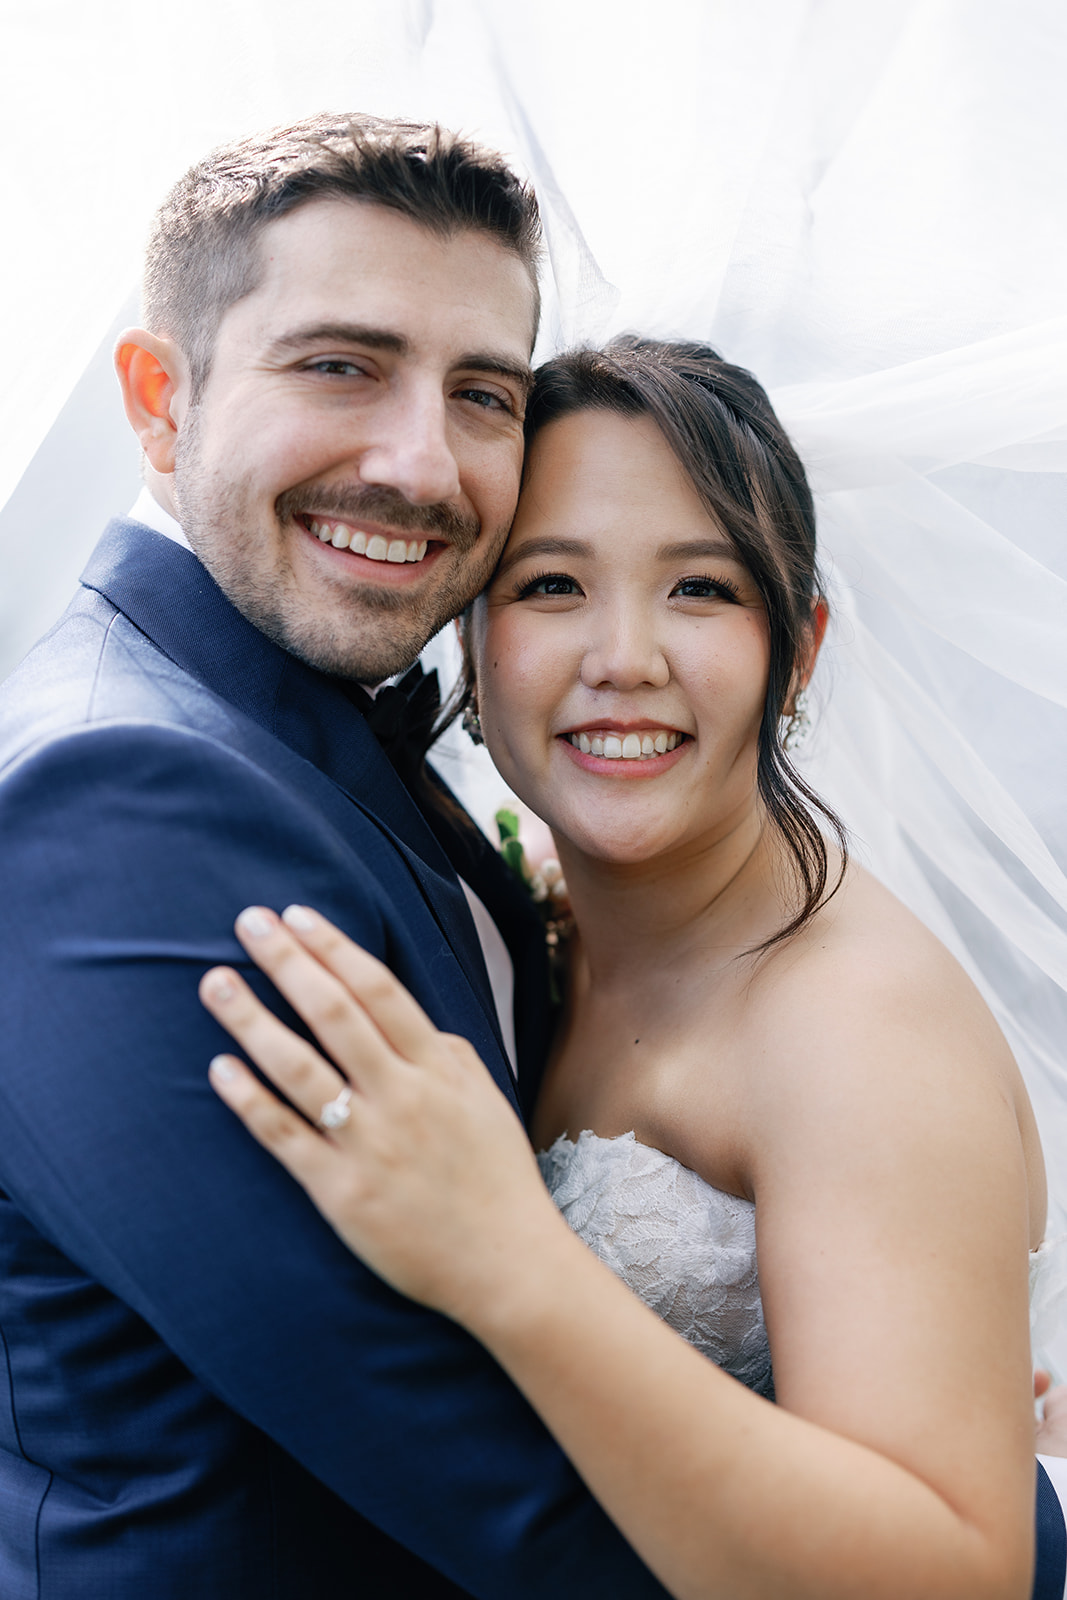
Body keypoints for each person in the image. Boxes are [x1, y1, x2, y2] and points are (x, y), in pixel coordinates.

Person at [201, 339, 1067, 1600]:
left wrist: (509, 1257)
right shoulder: (551, 925)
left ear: (799, 647)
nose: (624, 657)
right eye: (552, 584)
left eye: (700, 590)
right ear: (470, 646)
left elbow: (950, 1577)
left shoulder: (855, 1030)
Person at [0, 115, 672, 1597]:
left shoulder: (305, 724)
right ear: (160, 400)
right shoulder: (112, 800)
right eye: (339, 366)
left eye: (481, 393)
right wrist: (950, 1523)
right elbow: (485, 1490)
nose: (419, 465)